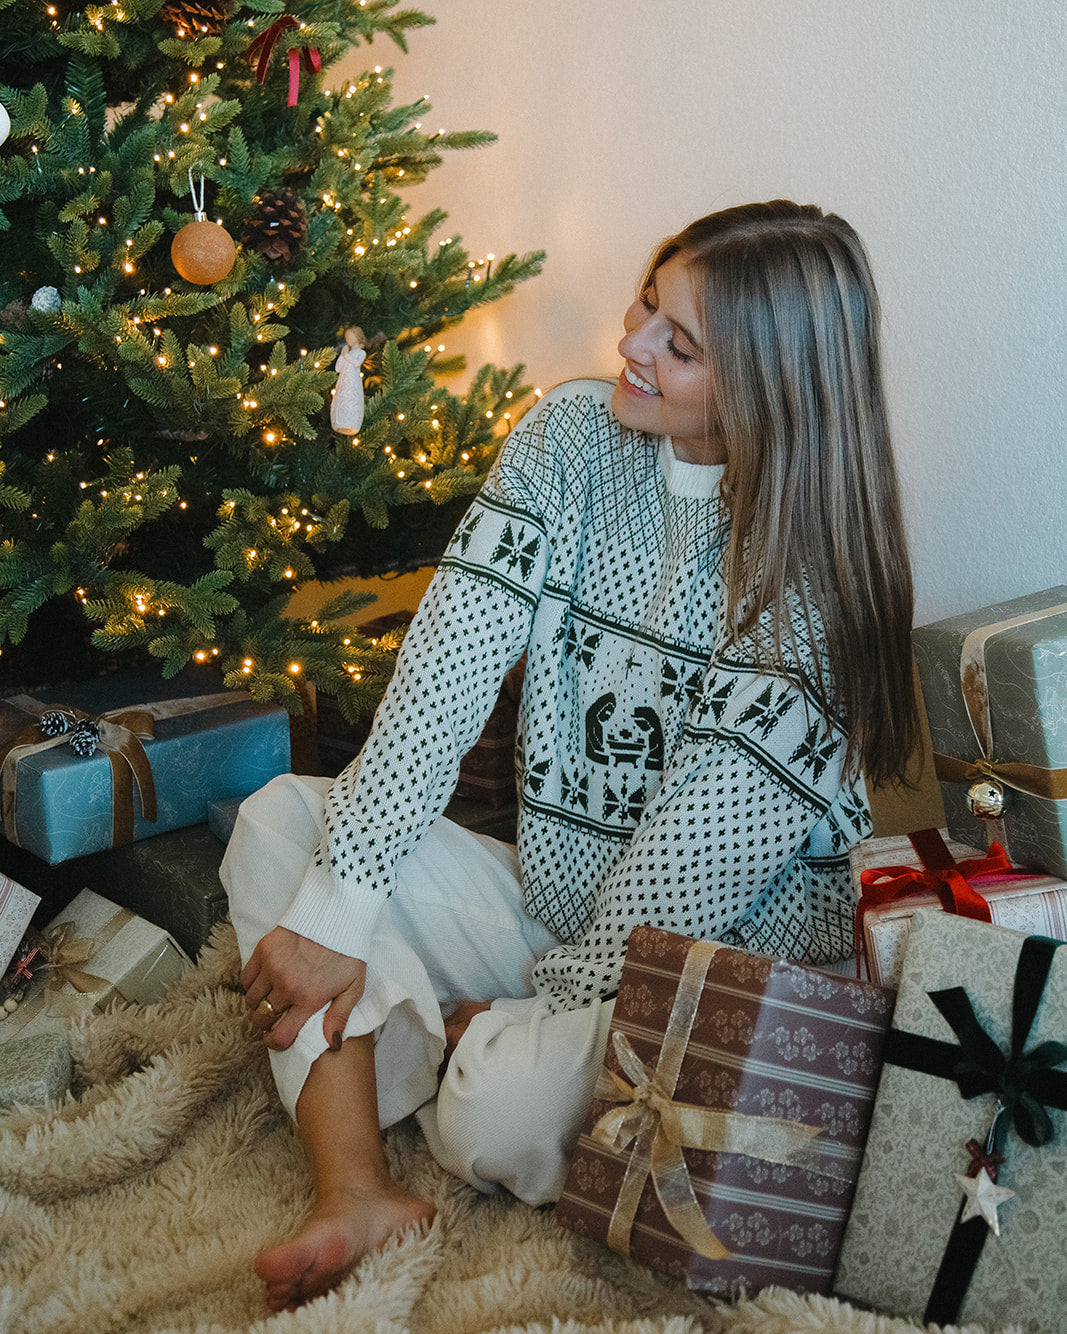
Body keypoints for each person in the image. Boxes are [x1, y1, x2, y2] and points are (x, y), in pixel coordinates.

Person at [221, 200, 919, 1312]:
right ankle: (354, 1185)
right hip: (544, 896)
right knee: (282, 825)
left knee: (486, 1108)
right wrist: (344, 910)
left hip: (696, 967)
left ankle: (441, 1047)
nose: (629, 342)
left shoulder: (807, 586)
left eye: (678, 343)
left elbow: (679, 890)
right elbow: (443, 675)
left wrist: (521, 1015)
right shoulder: (566, 439)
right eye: (650, 298)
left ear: (770, 388)